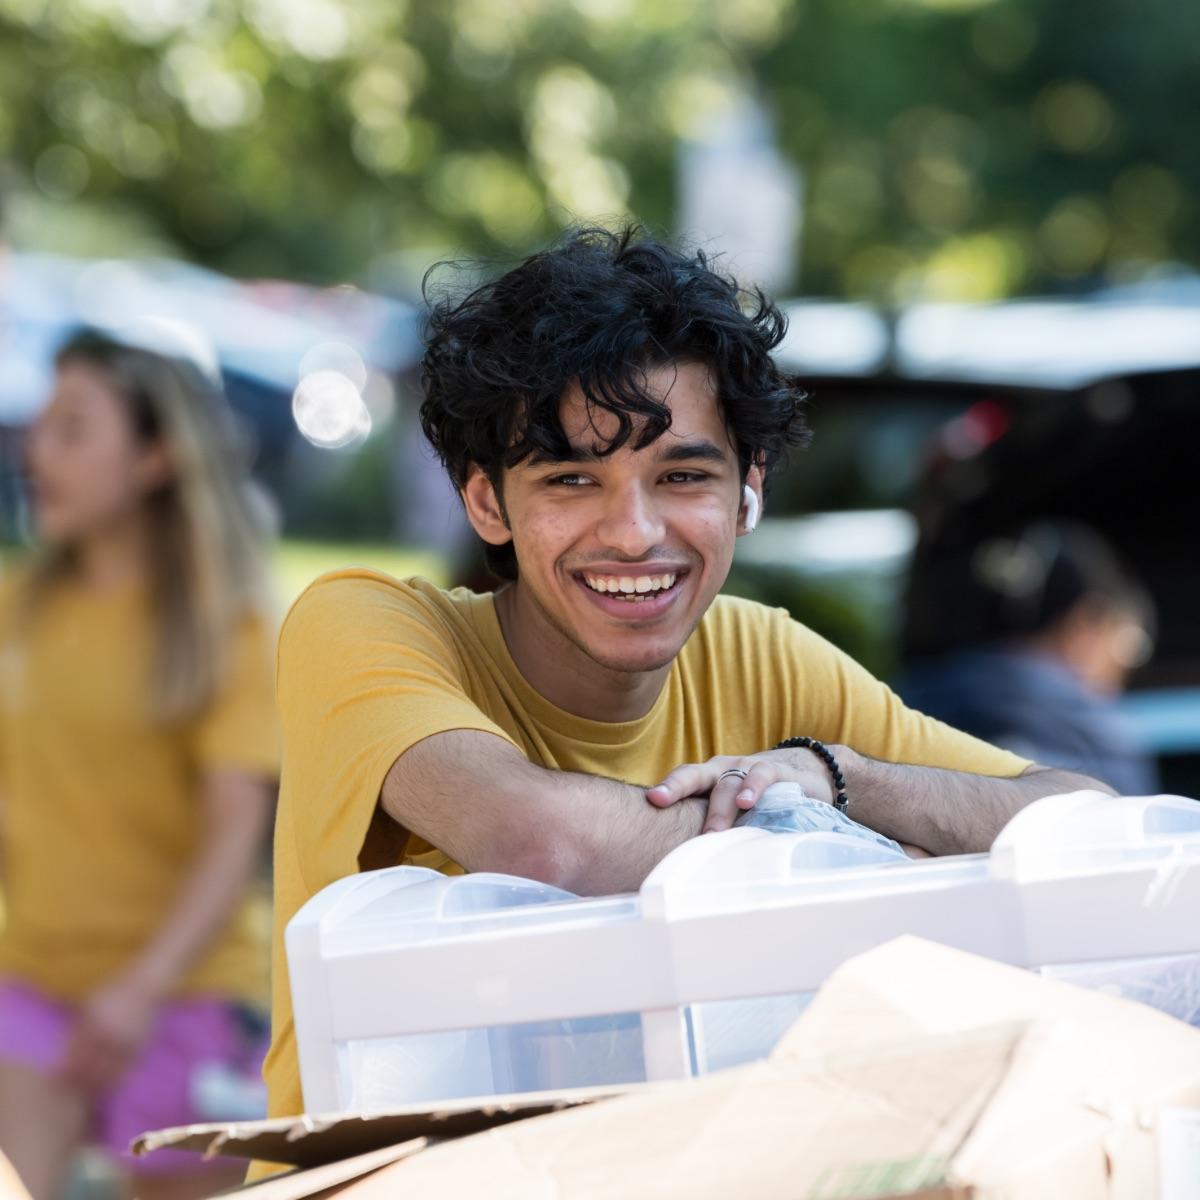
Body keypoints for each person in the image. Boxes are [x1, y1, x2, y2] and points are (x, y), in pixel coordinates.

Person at [256, 227, 1110, 1163]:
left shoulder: (762, 654)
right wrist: (802, 830)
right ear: (486, 502)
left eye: (683, 476)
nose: (633, 532)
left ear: (749, 489)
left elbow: (1082, 822)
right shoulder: (363, 626)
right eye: (572, 478)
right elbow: (538, 841)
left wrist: (838, 777)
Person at [0, 330, 279, 1200]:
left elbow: (234, 839)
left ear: (156, 457)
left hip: (186, 993)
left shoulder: (229, 631)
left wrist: (138, 989)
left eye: (73, 428)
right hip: (36, 984)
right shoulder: (18, 611)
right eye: (42, 424)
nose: (36, 448)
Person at [900, 520, 1158, 795]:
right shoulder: (1099, 735)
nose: (1122, 676)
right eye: (1130, 647)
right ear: (1085, 624)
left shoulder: (911, 701)